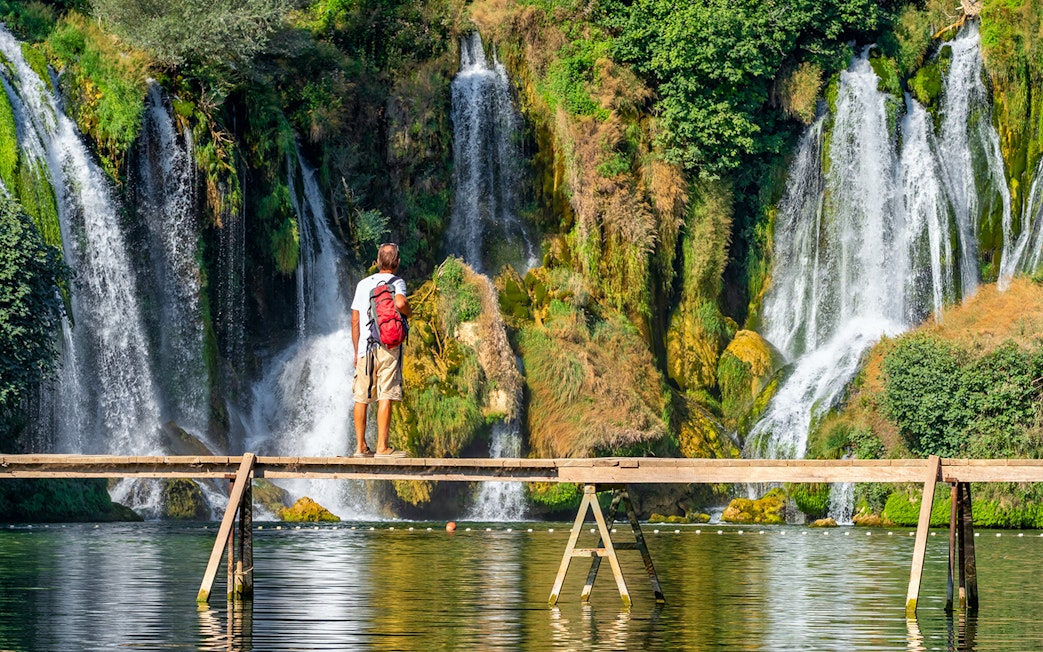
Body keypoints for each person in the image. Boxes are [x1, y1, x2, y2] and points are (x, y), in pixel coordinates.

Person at [350, 243, 412, 457]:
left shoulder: (363, 284)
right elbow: (401, 302)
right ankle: (382, 447)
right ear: (397, 262)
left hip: (365, 347)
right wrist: (408, 312)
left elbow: (355, 319)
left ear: (377, 262)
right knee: (386, 393)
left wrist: (356, 350)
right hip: (388, 346)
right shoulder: (398, 282)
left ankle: (360, 447)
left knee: (361, 397)